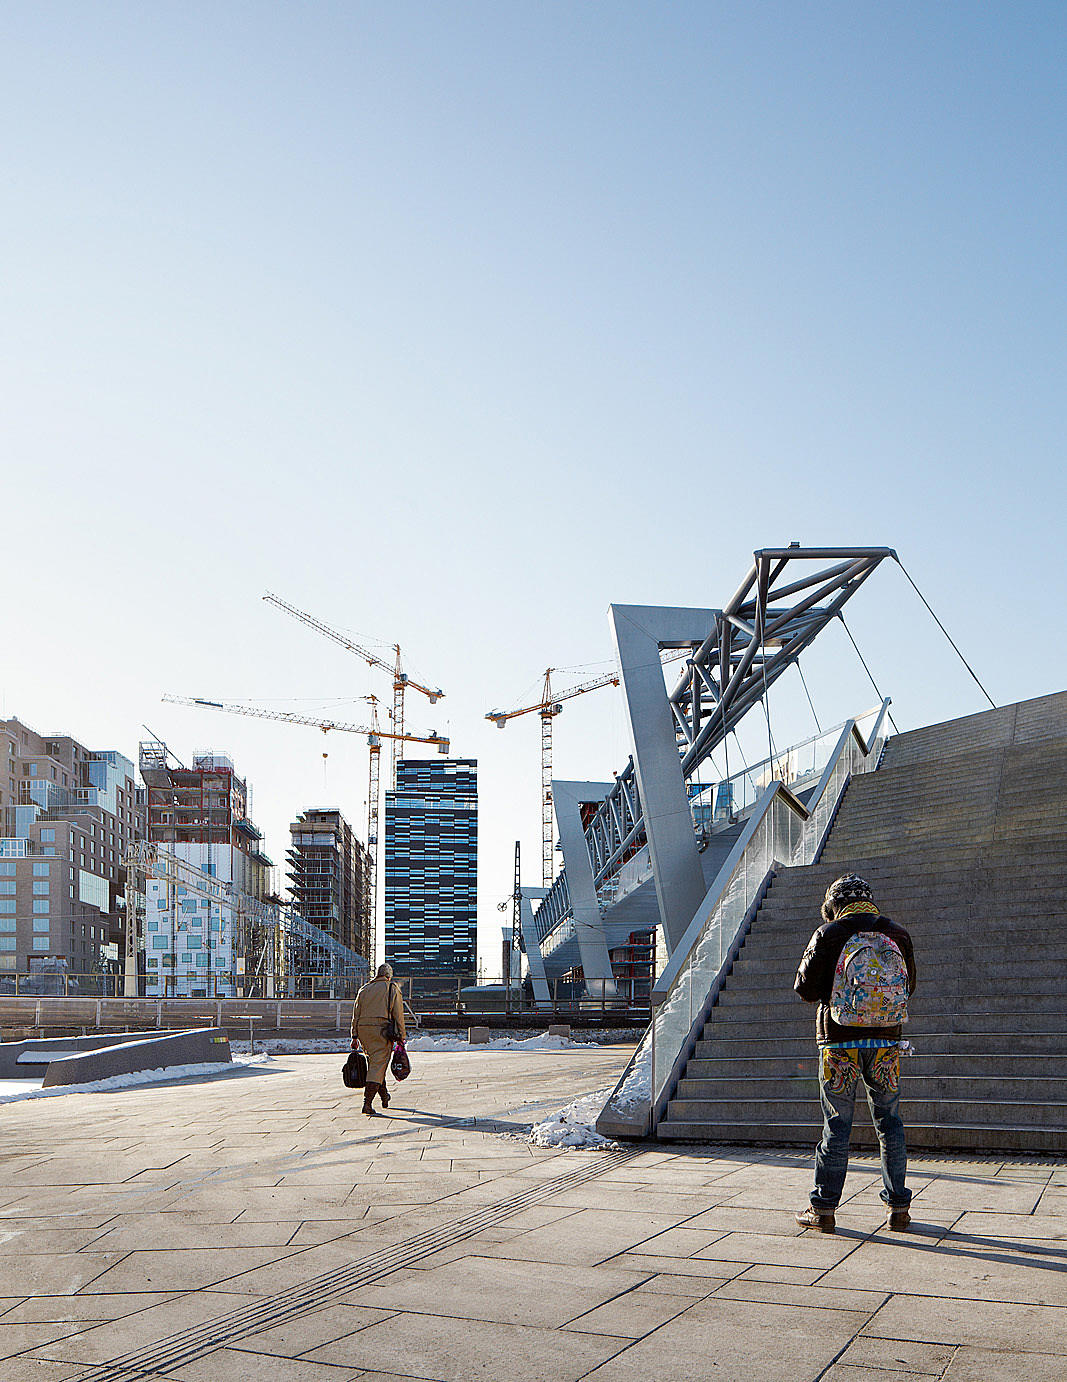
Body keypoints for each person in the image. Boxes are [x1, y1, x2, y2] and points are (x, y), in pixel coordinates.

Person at [793, 874, 916, 1233]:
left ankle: (824, 1209)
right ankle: (898, 1208)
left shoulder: (829, 933)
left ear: (835, 904)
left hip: (838, 1043)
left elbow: (805, 988)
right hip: (886, 1043)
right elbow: (910, 986)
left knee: (837, 1124)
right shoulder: (898, 934)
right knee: (889, 1122)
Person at [350, 962, 407, 1116]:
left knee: (376, 1064)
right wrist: (402, 1035)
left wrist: (354, 1035)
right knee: (378, 1065)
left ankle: (384, 1096)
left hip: (364, 1031)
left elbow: (356, 1014)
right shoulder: (391, 988)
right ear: (388, 976)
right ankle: (367, 1104)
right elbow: (398, 1015)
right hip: (381, 1030)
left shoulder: (364, 989)